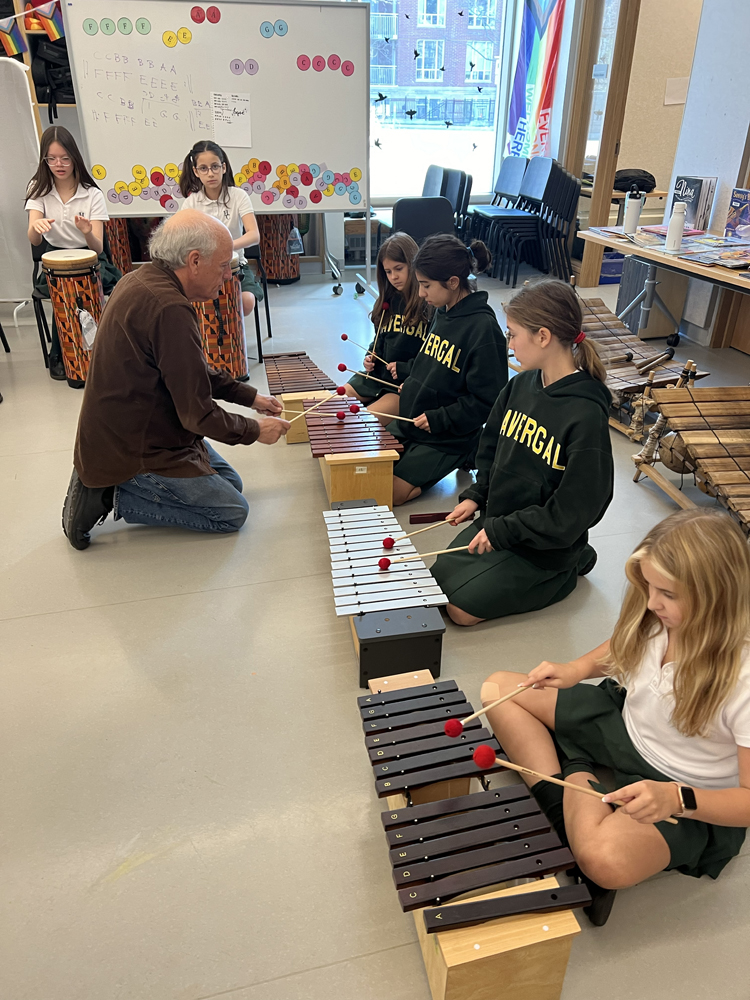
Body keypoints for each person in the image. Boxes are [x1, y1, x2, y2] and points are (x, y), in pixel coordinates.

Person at [481, 508, 750, 926]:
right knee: (499, 691)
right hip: (623, 729)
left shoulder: (745, 677)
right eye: (648, 586)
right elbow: (622, 645)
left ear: (717, 594)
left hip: (686, 790)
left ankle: (571, 767)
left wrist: (678, 798)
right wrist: (577, 670)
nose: (651, 602)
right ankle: (565, 796)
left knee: (604, 862)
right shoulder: (656, 613)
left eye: (668, 594)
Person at [62, 210, 289, 550]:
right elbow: (196, 416)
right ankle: (113, 492)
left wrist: (250, 397)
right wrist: (255, 431)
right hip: (135, 446)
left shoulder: (141, 278)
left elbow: (191, 371)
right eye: (224, 265)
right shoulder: (169, 308)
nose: (228, 276)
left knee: (231, 483)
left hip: (142, 426)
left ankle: (119, 481)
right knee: (231, 513)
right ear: (194, 261)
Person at [432, 278, 614, 625]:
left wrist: (505, 531)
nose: (509, 343)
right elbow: (491, 451)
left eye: (513, 334)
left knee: (461, 609)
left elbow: (577, 508)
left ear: (543, 337)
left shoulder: (585, 414)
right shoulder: (519, 386)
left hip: (544, 546)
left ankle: (570, 566)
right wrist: (477, 495)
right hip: (500, 520)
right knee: (439, 576)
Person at [377, 235, 508, 506]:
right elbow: (430, 362)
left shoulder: (483, 330)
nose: (421, 293)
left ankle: (470, 449)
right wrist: (410, 380)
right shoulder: (442, 310)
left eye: (426, 285)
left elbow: (488, 402)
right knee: (367, 469)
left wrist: (440, 418)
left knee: (388, 494)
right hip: (413, 422)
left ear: (453, 282)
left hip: (447, 435)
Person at [25, 125, 121, 380]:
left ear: (74, 158)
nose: (59, 164)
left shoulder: (92, 193)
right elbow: (34, 239)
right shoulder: (38, 188)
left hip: (91, 259)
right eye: (52, 158)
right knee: (65, 290)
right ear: (44, 160)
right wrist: (36, 226)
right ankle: (63, 353)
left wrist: (88, 231)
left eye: (65, 158)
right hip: (54, 260)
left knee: (79, 290)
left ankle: (93, 352)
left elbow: (98, 247)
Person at [345, 232, 430, 414]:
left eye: (399, 269)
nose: (393, 277)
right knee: (336, 402)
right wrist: (371, 356)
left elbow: (431, 360)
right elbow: (380, 340)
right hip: (376, 377)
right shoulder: (387, 301)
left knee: (361, 424)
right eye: (388, 272)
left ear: (413, 264)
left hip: (402, 386)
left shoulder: (428, 305)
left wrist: (406, 370)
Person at [179, 140, 263, 316]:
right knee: (194, 305)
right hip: (203, 269)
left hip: (236, 266)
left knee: (246, 302)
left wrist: (224, 247)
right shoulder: (191, 202)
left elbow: (254, 235)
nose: (210, 173)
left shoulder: (238, 196)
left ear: (224, 167)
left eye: (215, 166)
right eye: (203, 168)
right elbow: (182, 238)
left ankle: (233, 340)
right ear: (195, 172)